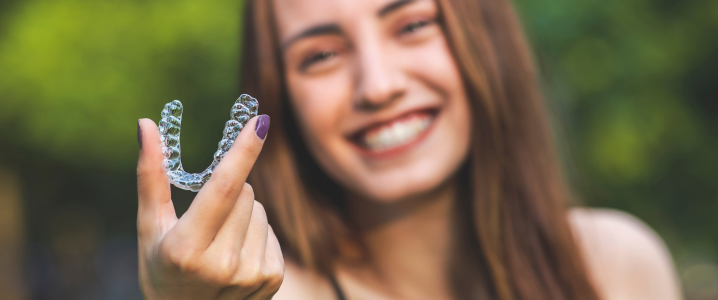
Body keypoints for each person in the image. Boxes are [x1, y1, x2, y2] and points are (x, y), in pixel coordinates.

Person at [135, 0, 683, 299]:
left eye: (415, 23)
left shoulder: (617, 267)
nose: (377, 85)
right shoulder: (266, 299)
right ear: (280, 95)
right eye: (321, 55)